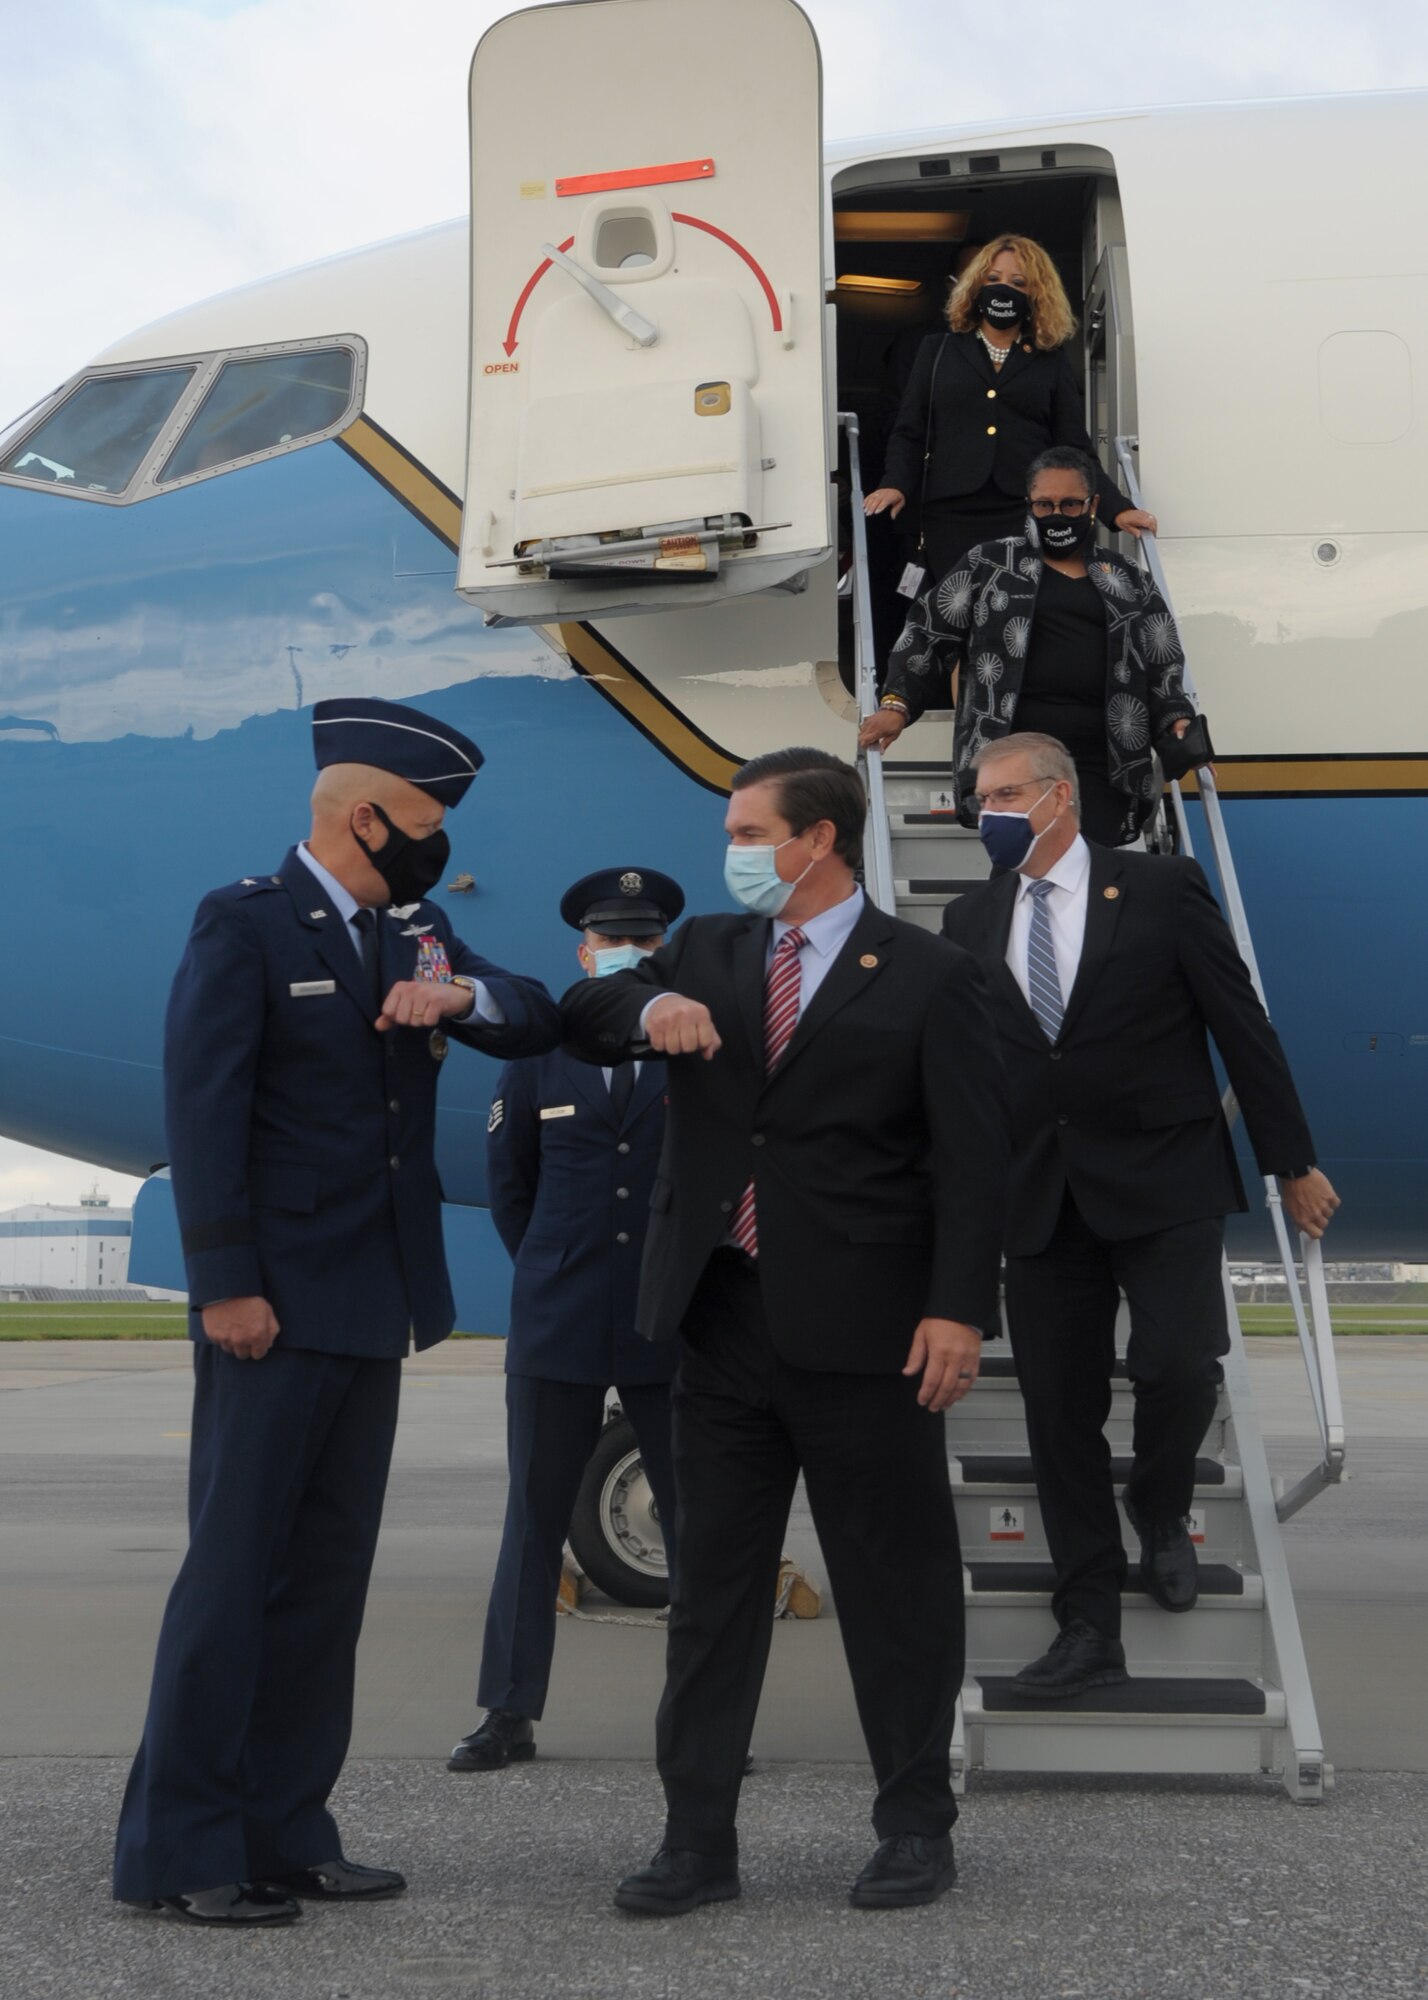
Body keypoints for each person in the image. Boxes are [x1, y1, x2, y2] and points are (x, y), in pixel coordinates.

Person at [113, 696, 561, 1927]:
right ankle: (183, 1844)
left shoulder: (419, 930)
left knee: (325, 1584)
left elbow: (531, 1010)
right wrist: (225, 1284)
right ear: (362, 815)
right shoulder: (247, 923)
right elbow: (202, 1111)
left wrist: (459, 1002)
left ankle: (288, 1828)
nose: (438, 844)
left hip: (374, 1298)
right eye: (424, 821)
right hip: (274, 1302)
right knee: (233, 1575)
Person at [561, 748, 1008, 1916]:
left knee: (894, 1588)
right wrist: (648, 997)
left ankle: (915, 1824)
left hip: (870, 1333)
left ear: (819, 840)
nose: (736, 852)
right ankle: (696, 1839)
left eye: (752, 831)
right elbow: (590, 999)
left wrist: (959, 1306)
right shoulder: (708, 946)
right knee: (710, 1592)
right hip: (723, 1319)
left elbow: (974, 1159)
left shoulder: (927, 972)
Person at [940, 733, 1340, 1700]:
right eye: (977, 796)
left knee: (1175, 1363)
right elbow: (959, 1076)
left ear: (1057, 798)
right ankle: (1087, 1625)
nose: (982, 811)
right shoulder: (967, 917)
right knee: (1058, 1413)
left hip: (1164, 1180)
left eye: (1001, 794)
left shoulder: (1158, 888)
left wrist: (1290, 1160)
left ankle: (1159, 1504)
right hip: (1038, 1195)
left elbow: (1239, 1024)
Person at [448, 865, 686, 1776]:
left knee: (697, 1524)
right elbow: (511, 1189)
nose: (626, 951)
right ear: (583, 950)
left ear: (665, 950)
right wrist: (552, 1268)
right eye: (610, 939)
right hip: (560, 1313)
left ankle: (702, 1714)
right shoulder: (539, 1051)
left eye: (645, 938)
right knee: (533, 1518)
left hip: (669, 1318)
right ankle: (507, 1713)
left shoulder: (692, 1043)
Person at [860, 447, 1204, 848]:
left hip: (1103, 760)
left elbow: (1163, 662)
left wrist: (1179, 724)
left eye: (1070, 504)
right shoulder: (987, 565)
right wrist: (896, 705)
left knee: (1092, 875)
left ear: (1092, 505)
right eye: (1045, 505)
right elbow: (925, 633)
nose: (1057, 514)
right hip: (1012, 754)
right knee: (1018, 864)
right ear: (1029, 506)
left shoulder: (1127, 578)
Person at [862, 234, 1155, 600]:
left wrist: (1117, 509)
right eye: (993, 279)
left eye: (1018, 283)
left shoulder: (1050, 360)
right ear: (975, 285)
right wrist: (895, 483)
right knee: (958, 619)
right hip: (950, 514)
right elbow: (910, 430)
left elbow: (1074, 449)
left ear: (1036, 294)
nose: (1004, 289)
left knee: (1015, 618)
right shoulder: (937, 350)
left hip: (1024, 512)